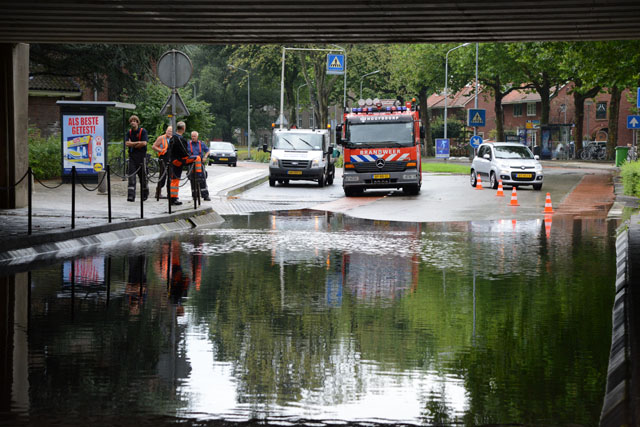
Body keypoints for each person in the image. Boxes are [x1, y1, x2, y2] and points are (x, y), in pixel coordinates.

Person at [169, 121, 202, 206]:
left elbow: (169, 150)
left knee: (174, 180)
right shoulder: (180, 138)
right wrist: (189, 155)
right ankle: (198, 175)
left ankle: (173, 198)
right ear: (183, 128)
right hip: (180, 160)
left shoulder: (172, 138)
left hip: (173, 161)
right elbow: (184, 151)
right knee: (197, 158)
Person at [125, 115, 149, 202]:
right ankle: (131, 196)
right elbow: (127, 143)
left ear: (137, 122)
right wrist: (138, 143)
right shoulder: (129, 132)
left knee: (143, 177)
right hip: (132, 157)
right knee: (131, 177)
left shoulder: (143, 131)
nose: (133, 122)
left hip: (142, 157)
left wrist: (133, 144)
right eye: (131, 121)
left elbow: (144, 143)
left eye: (134, 121)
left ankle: (144, 194)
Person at [187, 131, 211, 201]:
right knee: (192, 179)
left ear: (197, 137)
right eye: (192, 136)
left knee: (202, 179)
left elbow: (208, 150)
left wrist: (205, 157)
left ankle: (205, 195)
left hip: (200, 164)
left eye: (194, 136)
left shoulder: (201, 144)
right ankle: (195, 196)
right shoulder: (188, 144)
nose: (193, 137)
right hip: (191, 164)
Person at [151, 125, 172, 200]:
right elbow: (154, 146)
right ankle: (158, 193)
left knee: (170, 176)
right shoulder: (161, 138)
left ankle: (169, 193)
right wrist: (161, 150)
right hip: (163, 158)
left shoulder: (173, 138)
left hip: (171, 159)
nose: (169, 133)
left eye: (171, 131)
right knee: (162, 176)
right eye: (168, 131)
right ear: (166, 131)